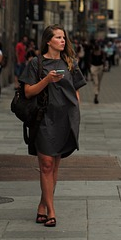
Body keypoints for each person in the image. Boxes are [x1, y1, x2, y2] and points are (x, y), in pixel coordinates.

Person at [19, 24, 81, 228]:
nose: (63, 41)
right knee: (46, 164)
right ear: (48, 41)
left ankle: (42, 205)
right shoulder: (36, 63)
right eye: (58, 37)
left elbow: (76, 90)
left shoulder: (70, 62)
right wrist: (47, 80)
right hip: (43, 118)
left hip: (65, 119)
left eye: (64, 37)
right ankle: (52, 211)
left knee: (54, 166)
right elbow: (28, 92)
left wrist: (76, 111)